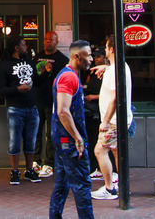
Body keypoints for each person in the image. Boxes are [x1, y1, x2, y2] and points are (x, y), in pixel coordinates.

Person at [49, 40, 94, 219]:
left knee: (62, 185)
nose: (91, 59)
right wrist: (78, 138)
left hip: (62, 140)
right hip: (69, 142)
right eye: (88, 55)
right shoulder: (69, 77)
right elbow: (62, 111)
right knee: (82, 185)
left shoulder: (67, 75)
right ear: (77, 56)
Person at [91, 35, 133, 200]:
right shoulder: (119, 67)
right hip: (119, 120)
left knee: (99, 151)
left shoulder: (117, 69)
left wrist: (106, 121)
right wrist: (104, 68)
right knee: (116, 152)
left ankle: (110, 188)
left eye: (107, 48)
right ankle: (123, 186)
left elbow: (115, 99)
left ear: (112, 49)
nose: (105, 51)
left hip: (114, 121)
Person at [0, 35, 41, 185]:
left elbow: (38, 82)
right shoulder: (4, 66)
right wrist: (17, 89)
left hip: (32, 107)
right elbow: (0, 89)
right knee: (14, 141)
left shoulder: (29, 62)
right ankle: (15, 171)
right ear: (16, 47)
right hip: (15, 108)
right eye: (23, 44)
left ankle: (29, 170)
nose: (26, 47)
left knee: (31, 141)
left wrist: (45, 71)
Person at [32, 31, 69, 178]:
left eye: (51, 40)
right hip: (37, 99)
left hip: (53, 100)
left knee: (50, 133)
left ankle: (49, 163)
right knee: (36, 131)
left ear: (57, 41)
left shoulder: (62, 60)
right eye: (46, 39)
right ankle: (35, 161)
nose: (48, 42)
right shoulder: (37, 57)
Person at [83, 46, 104, 176]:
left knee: (102, 143)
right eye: (94, 56)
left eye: (98, 56)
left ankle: (107, 170)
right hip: (91, 110)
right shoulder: (93, 72)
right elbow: (90, 86)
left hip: (101, 111)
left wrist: (96, 96)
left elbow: (115, 93)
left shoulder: (108, 73)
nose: (95, 59)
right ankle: (94, 167)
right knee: (92, 140)